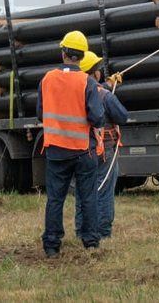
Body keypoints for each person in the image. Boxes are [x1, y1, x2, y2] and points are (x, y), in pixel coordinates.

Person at [36, 30, 105, 258]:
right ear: (83, 55)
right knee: (88, 197)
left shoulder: (47, 79)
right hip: (83, 151)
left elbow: (40, 114)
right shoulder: (87, 81)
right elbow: (97, 118)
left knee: (55, 199)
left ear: (63, 52)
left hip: (56, 151)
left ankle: (52, 245)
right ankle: (91, 242)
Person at [74, 50, 129, 241]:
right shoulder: (105, 96)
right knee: (103, 191)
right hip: (103, 151)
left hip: (81, 150)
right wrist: (108, 89)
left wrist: (108, 84)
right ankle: (103, 232)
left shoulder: (74, 93)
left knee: (83, 192)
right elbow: (122, 116)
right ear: (95, 73)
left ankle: (81, 231)